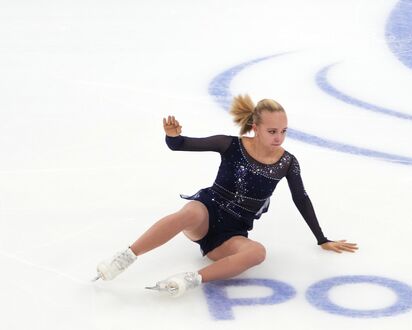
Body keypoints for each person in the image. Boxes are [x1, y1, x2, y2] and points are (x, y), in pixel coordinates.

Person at [94, 95, 358, 297]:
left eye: (283, 131)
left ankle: (188, 280)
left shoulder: (287, 162)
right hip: (207, 214)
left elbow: (301, 198)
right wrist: (172, 136)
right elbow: (181, 145)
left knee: (257, 252)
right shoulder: (230, 144)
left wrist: (322, 238)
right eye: (272, 131)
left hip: (232, 233)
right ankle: (125, 257)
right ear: (256, 127)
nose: (279, 137)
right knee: (191, 212)